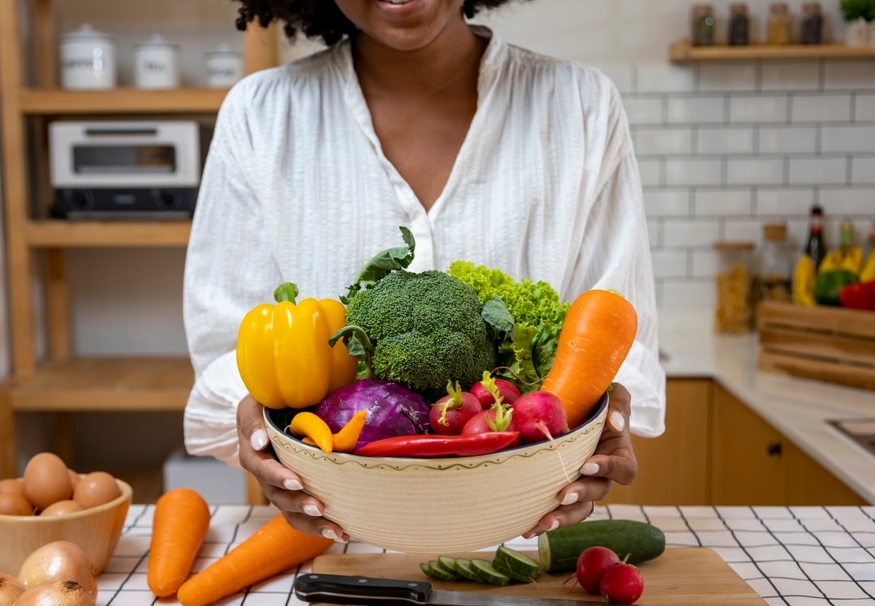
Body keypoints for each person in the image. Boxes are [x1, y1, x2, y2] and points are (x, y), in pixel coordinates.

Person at [182, 0, 666, 543]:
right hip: (334, 546)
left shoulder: (581, 106)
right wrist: (255, 423)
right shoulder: (260, 115)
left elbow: (621, 330)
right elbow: (228, 347)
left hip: (526, 537)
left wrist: (600, 417)